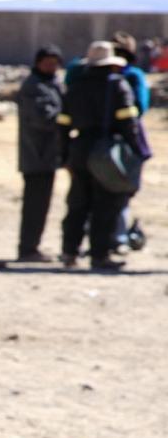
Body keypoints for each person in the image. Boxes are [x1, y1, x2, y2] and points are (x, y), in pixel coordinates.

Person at [57, 41, 142, 271]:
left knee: (77, 203)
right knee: (105, 205)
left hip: (79, 150)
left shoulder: (76, 87)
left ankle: (69, 252)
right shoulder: (117, 87)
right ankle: (99, 255)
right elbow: (129, 122)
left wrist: (64, 154)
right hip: (105, 152)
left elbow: (63, 123)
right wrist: (138, 151)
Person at [15, 45, 64, 262]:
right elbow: (43, 119)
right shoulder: (33, 87)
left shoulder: (51, 84)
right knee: (35, 205)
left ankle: (31, 247)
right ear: (38, 63)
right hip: (37, 155)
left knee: (41, 204)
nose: (52, 67)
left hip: (48, 155)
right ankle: (28, 249)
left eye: (55, 63)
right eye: (48, 63)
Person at [110, 31, 152, 253]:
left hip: (116, 140)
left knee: (116, 191)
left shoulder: (130, 76)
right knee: (114, 191)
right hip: (117, 140)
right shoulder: (128, 76)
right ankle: (113, 238)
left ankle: (113, 238)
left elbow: (140, 108)